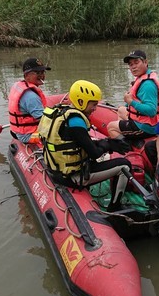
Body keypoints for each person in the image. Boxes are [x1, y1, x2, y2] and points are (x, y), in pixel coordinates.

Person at [38, 80, 132, 211]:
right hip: (73, 177)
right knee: (124, 165)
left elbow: (77, 143)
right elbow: (94, 153)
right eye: (93, 104)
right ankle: (115, 207)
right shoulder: (76, 122)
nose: (95, 108)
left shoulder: (63, 114)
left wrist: (105, 143)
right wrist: (109, 145)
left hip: (58, 171)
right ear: (81, 102)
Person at [107, 50, 159, 141]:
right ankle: (127, 134)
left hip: (148, 127)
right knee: (121, 109)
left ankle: (127, 149)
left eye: (136, 62)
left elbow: (151, 111)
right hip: (147, 122)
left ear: (145, 62)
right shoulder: (143, 77)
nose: (133, 67)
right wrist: (128, 105)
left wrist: (130, 102)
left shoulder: (148, 85)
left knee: (111, 127)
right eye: (130, 64)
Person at [8, 57, 51, 143]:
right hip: (28, 135)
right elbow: (44, 121)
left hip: (20, 131)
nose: (41, 75)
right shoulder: (31, 97)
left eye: (43, 72)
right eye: (37, 72)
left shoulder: (20, 85)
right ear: (26, 75)